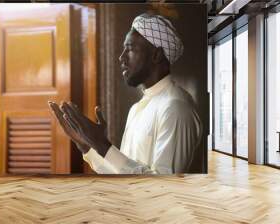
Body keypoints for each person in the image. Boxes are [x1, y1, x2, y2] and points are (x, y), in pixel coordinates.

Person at [48, 13, 202, 174]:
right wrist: (87, 145)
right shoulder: (136, 109)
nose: (121, 57)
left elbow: (163, 187)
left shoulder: (175, 108)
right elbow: (122, 173)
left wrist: (102, 144)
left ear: (156, 55)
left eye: (130, 49)